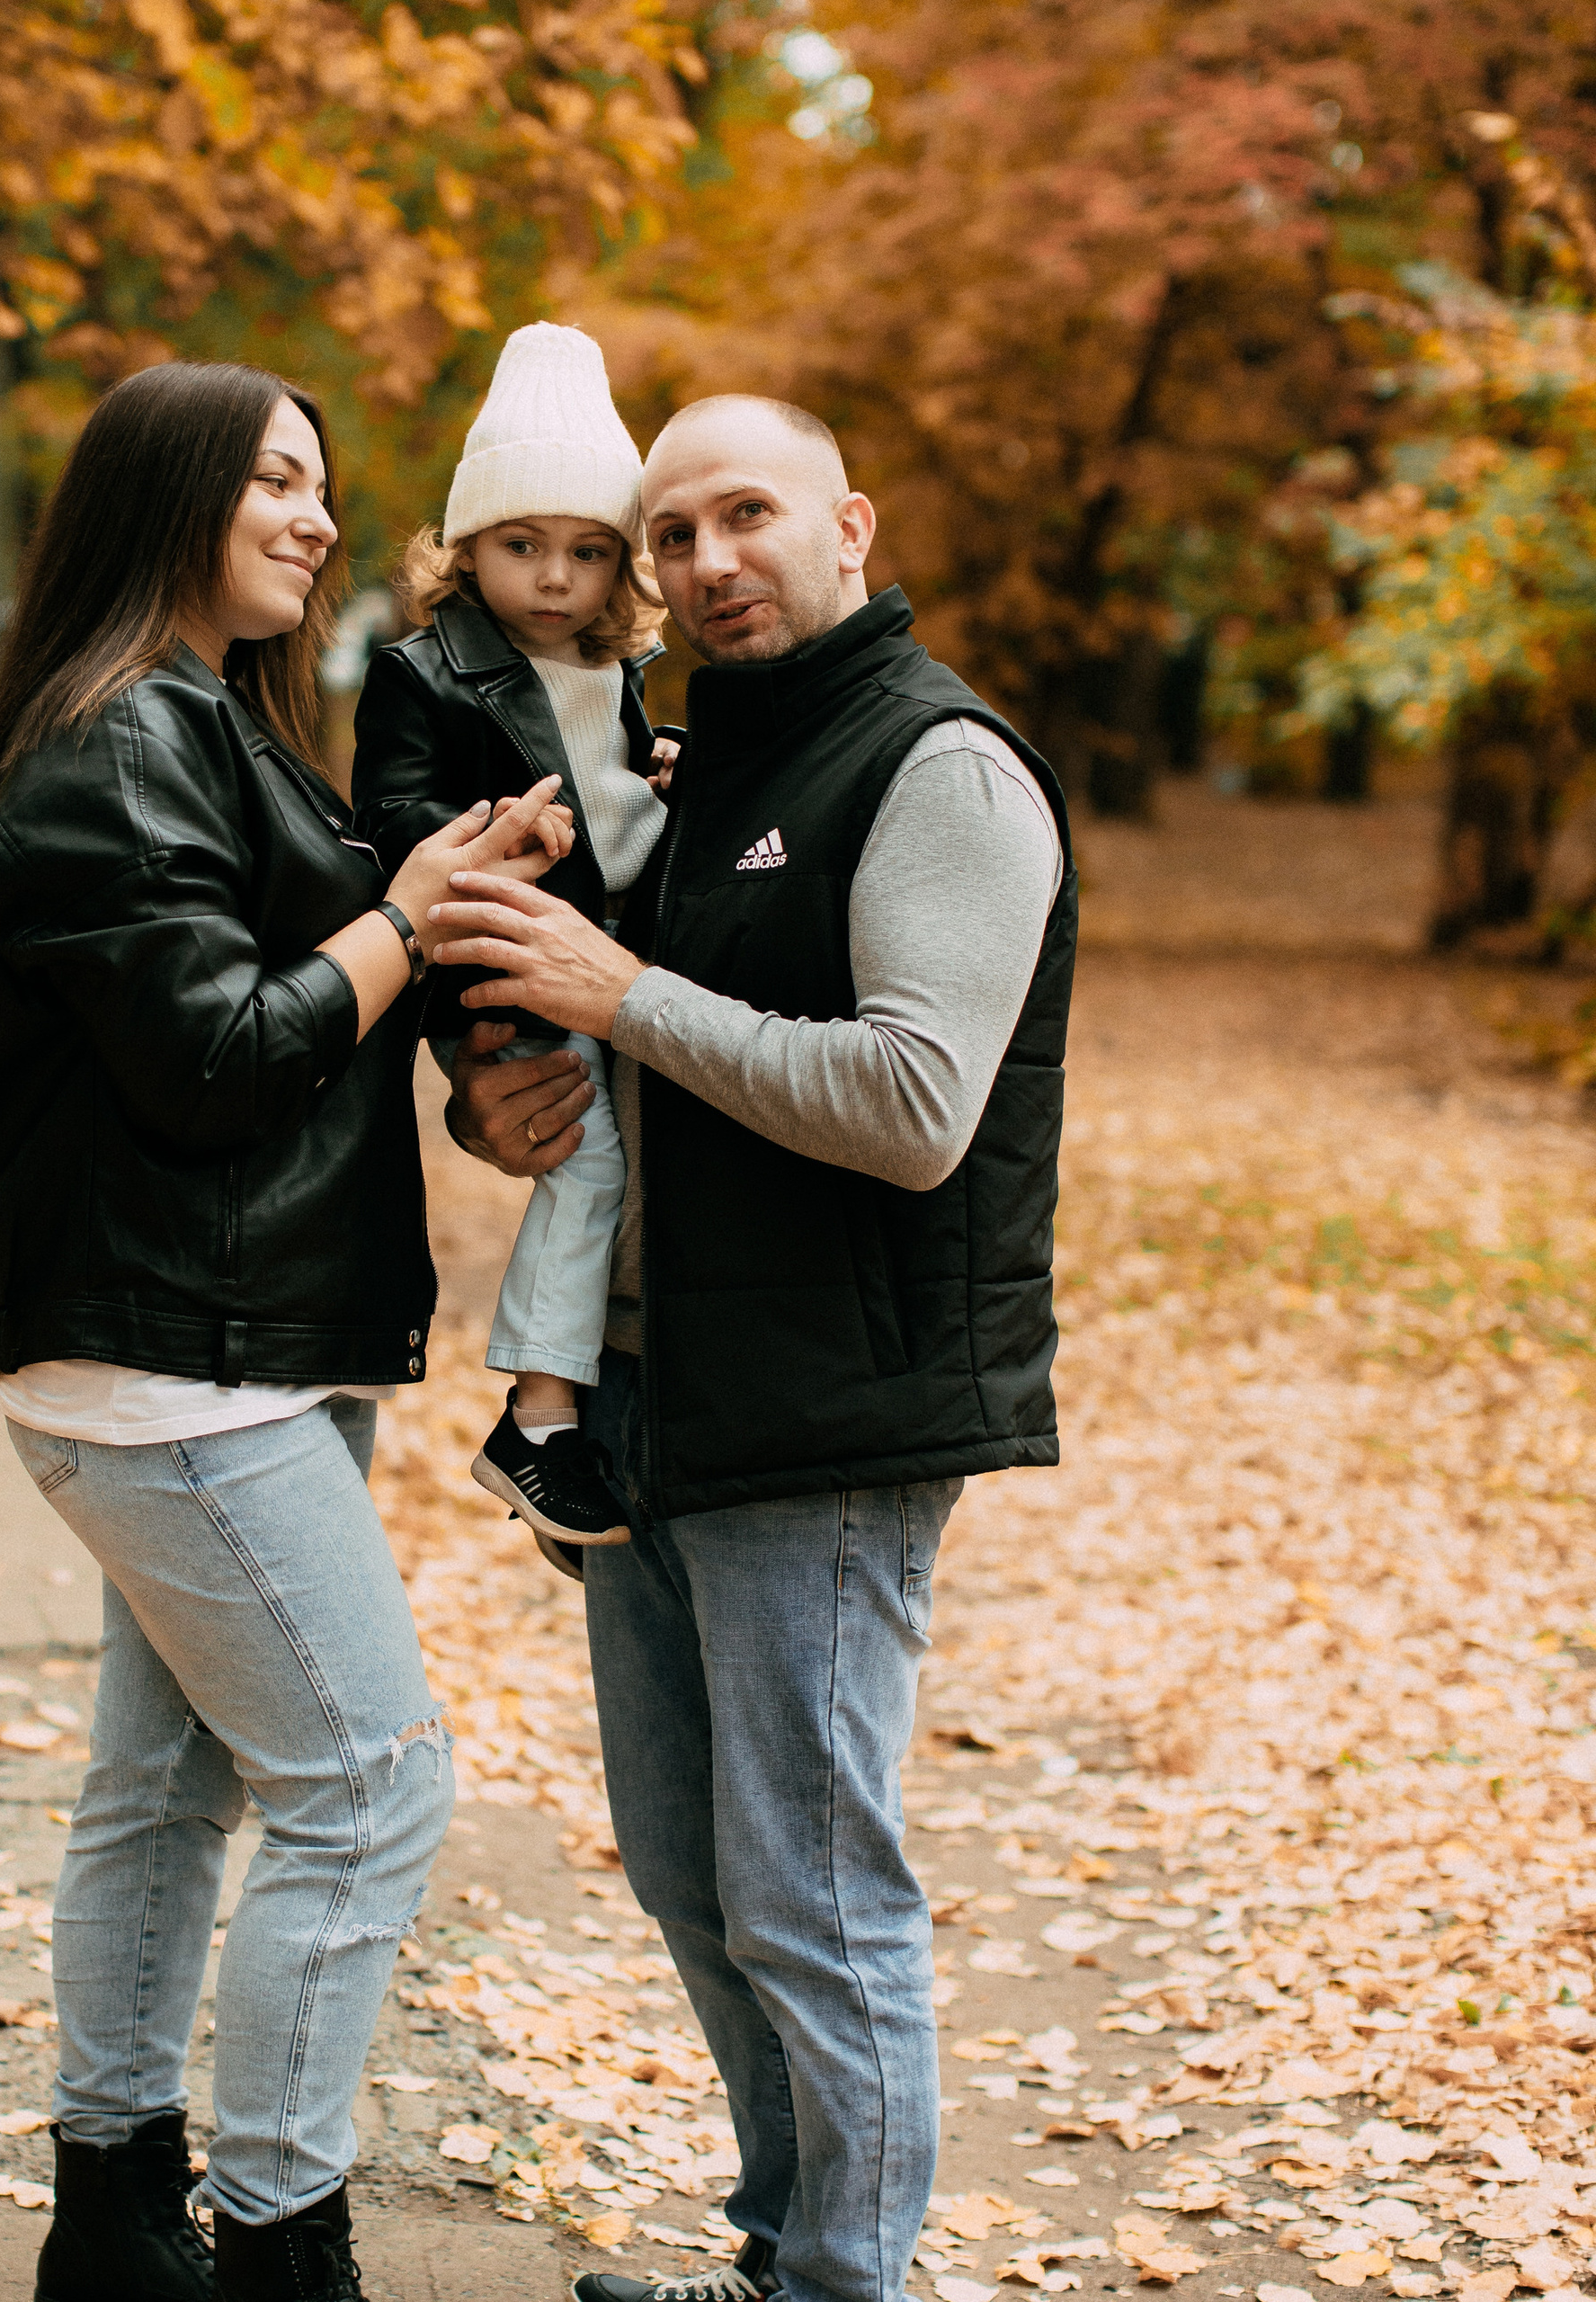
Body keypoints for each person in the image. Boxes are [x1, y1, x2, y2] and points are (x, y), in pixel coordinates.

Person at [0, 361, 568, 2302]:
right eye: (270, 482)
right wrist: (409, 906)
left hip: (221, 1340)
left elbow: (293, 1015)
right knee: (371, 1786)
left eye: (320, 484)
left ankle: (113, 2211)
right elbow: (216, 1055)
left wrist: (446, 1004)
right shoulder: (117, 743)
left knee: (168, 1783)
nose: (309, 516)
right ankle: (280, 2241)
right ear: (169, 495)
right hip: (170, 1364)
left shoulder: (209, 725)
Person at [426, 396, 1078, 2302]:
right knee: (691, 1872)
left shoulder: (938, 764)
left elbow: (907, 1102)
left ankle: (839, 2281)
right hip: (654, 1396)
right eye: (671, 534)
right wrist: (505, 1097)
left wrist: (623, 991)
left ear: (848, 524)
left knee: (810, 1888)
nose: (706, 560)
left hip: (829, 1408)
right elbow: (620, 1059)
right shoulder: (694, 771)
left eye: (745, 515)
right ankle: (788, 2244)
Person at [352, 323, 674, 1564]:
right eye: (522, 546)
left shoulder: (621, 672)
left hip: (614, 960)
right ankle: (538, 1414)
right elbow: (390, 823)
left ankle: (578, 1397)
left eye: (589, 553)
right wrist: (490, 836)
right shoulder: (425, 673)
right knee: (588, 1166)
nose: (554, 579)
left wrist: (671, 779)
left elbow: (626, 809)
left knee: (625, 1166)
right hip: (509, 958)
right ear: (466, 546)